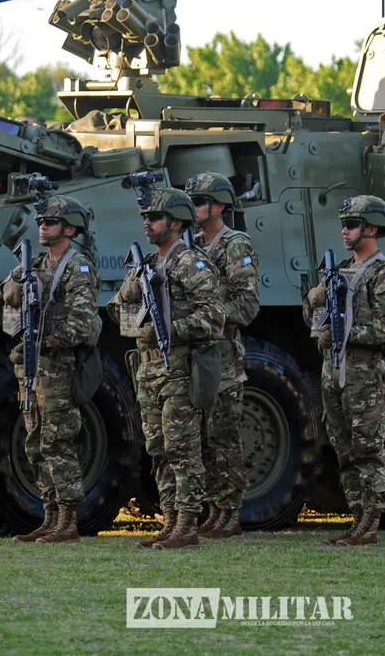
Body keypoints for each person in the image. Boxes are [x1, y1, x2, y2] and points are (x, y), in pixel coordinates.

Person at [115, 188, 225, 550]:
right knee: (159, 449)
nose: (147, 222)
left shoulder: (190, 263)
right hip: (148, 371)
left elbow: (214, 317)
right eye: (145, 217)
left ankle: (187, 525)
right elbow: (117, 310)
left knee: (182, 449)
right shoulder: (145, 265)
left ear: (176, 223)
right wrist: (134, 304)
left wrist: (170, 329)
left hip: (178, 368)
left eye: (155, 217)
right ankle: (171, 520)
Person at [0, 196, 100, 544]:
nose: (43, 227)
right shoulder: (32, 264)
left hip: (59, 368)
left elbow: (81, 324)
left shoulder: (77, 267)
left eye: (50, 222)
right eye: (41, 221)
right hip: (32, 369)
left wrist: (42, 342)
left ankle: (68, 520)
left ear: (70, 229)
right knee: (35, 443)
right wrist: (16, 286)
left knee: (59, 442)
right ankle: (49, 515)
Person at [305, 195, 385, 546]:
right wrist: (316, 302)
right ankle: (357, 518)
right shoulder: (340, 269)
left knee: (367, 447)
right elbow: (314, 318)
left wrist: (345, 333)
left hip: (363, 372)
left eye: (352, 225)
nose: (345, 231)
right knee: (343, 447)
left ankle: (371, 522)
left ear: (372, 229)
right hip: (333, 370)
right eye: (344, 225)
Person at [186, 172, 259, 541]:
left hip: (224, 355)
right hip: (198, 354)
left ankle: (230, 513)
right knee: (202, 437)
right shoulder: (192, 246)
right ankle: (215, 509)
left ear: (219, 206)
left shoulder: (235, 245)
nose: (194, 208)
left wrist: (208, 314)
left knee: (224, 436)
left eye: (200, 202)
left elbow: (247, 306)